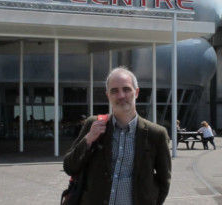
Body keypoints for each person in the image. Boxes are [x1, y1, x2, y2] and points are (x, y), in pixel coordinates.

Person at [63, 67, 172, 204]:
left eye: (126, 89)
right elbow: (69, 167)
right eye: (114, 91)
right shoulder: (94, 124)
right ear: (108, 95)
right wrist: (88, 139)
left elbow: (164, 181)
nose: (121, 96)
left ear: (136, 92)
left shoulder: (156, 134)